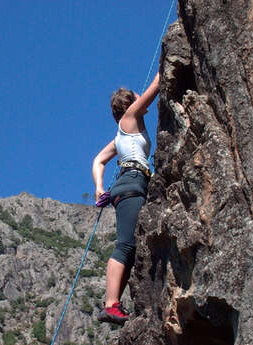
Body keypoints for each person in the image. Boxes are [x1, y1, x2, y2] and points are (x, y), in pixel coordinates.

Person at [92, 72, 160, 325]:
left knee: (130, 248)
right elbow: (155, 87)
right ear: (130, 103)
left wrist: (99, 186)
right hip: (132, 183)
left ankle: (114, 303)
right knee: (125, 246)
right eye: (136, 98)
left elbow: (99, 160)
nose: (141, 98)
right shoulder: (131, 118)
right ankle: (111, 304)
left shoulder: (122, 134)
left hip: (129, 184)